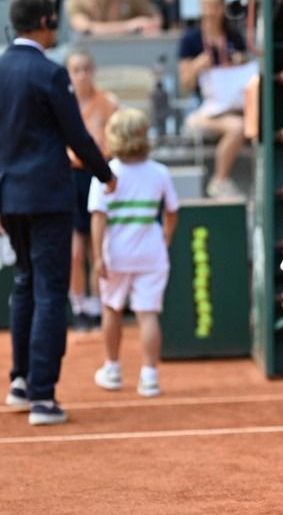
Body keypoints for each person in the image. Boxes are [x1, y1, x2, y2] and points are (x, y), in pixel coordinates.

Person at [0, 0, 116, 426]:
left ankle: (20, 381)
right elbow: (78, 136)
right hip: (46, 195)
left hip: (9, 195)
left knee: (26, 282)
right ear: (46, 21)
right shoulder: (50, 74)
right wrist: (106, 173)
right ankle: (43, 396)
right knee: (49, 289)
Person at [89, 108, 179, 398]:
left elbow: (98, 218)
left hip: (116, 254)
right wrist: (164, 238)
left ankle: (112, 370)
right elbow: (172, 212)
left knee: (112, 309)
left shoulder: (105, 173)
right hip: (151, 254)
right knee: (148, 314)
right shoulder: (160, 172)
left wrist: (98, 257)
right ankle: (150, 376)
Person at [66, 49, 120, 332]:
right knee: (74, 251)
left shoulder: (108, 103)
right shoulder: (62, 102)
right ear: (69, 74)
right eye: (76, 70)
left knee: (96, 249)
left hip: (98, 176)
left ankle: (99, 306)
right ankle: (79, 308)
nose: (82, 75)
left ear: (93, 71)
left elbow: (116, 140)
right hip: (70, 177)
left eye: (86, 68)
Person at [178, 0, 249, 199]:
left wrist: (239, 62)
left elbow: (246, 75)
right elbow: (185, 85)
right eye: (207, 6)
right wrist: (197, 66)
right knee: (237, 128)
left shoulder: (233, 36)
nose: (211, 12)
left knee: (246, 123)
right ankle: (220, 180)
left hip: (234, 105)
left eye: (215, 6)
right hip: (203, 108)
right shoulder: (190, 39)